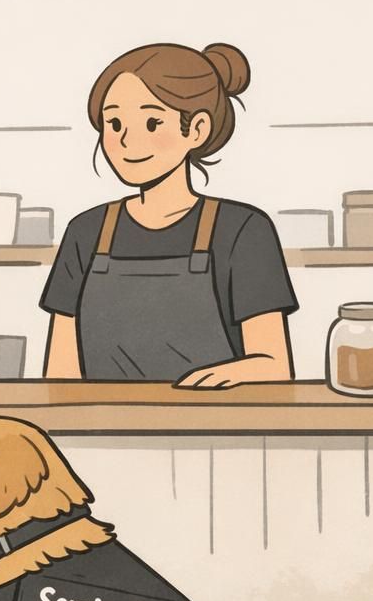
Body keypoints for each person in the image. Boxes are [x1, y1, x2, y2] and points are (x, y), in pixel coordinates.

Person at [42, 42, 298, 387]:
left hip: (216, 431)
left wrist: (222, 378)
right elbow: (60, 376)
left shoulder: (242, 231)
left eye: (151, 122)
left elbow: (274, 366)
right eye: (115, 123)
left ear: (197, 130)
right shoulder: (85, 232)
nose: (128, 140)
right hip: (99, 434)